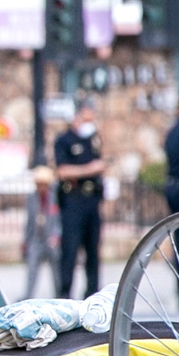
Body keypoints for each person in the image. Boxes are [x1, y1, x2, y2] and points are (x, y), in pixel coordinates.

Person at [52, 98, 109, 299]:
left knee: (93, 250)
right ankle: (64, 294)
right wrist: (90, 169)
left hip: (92, 200)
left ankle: (92, 294)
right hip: (73, 200)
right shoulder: (64, 140)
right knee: (70, 250)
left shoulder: (92, 140)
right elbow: (63, 171)